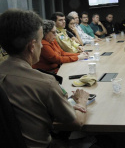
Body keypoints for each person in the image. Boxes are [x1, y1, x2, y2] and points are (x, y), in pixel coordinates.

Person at [0, 9, 89, 147]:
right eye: (40, 41)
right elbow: (77, 123)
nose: (42, 45)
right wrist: (82, 100)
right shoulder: (45, 83)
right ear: (32, 46)